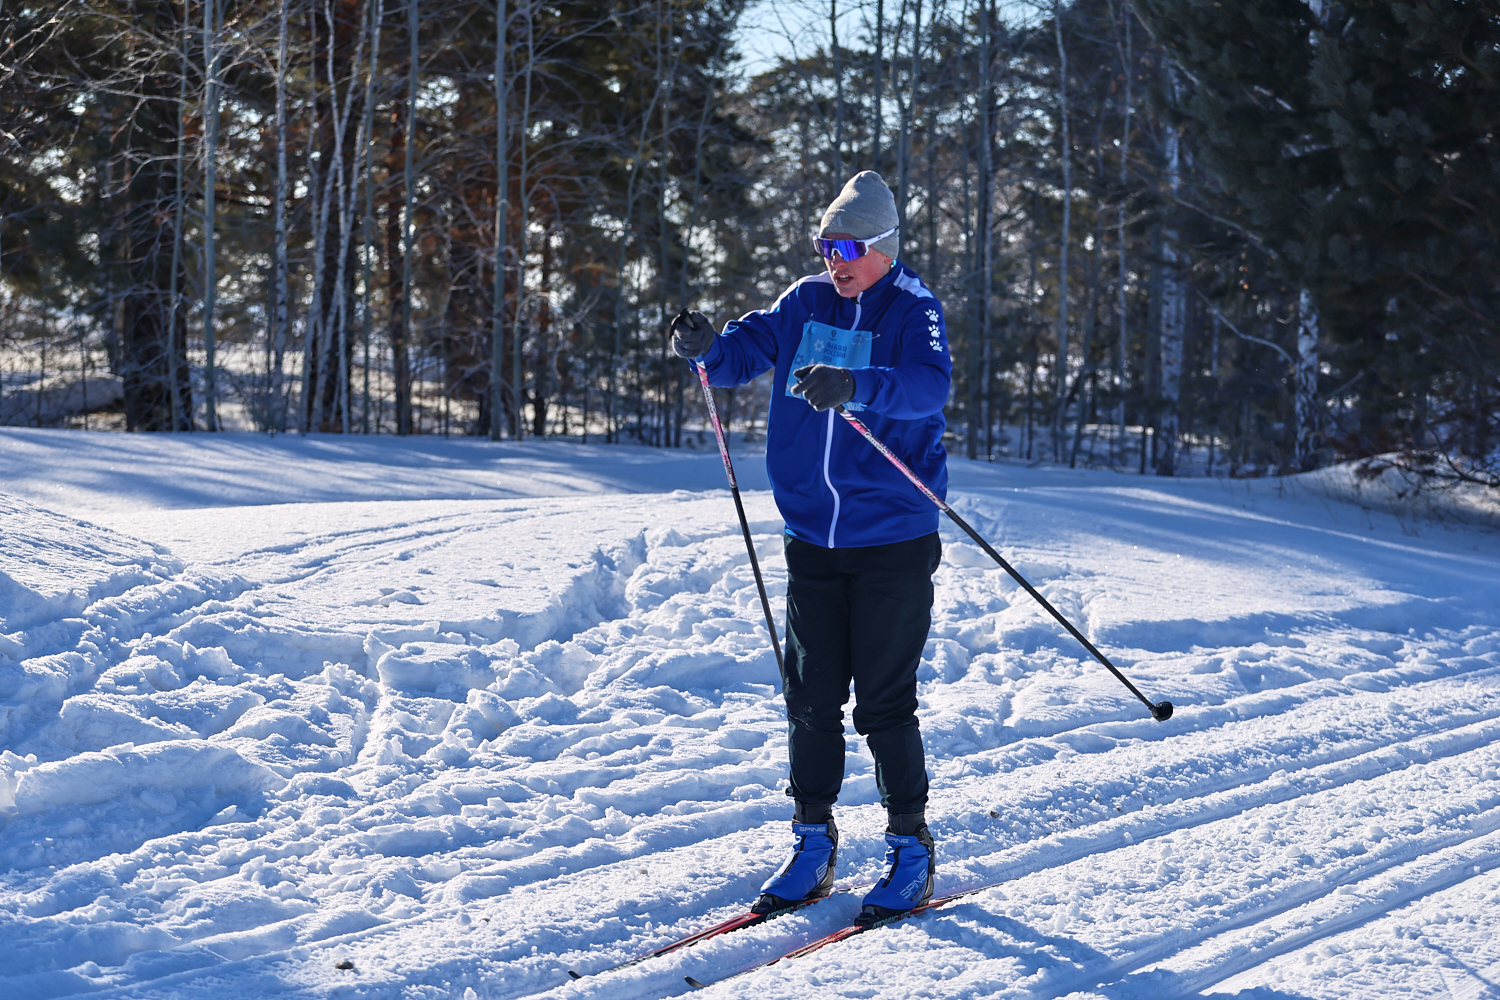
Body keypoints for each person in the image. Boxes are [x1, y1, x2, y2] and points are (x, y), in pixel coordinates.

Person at [669, 171, 951, 924]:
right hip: (812, 537)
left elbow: (927, 386)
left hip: (892, 536)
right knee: (811, 700)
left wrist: (858, 385)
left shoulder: (913, 308)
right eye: (827, 245)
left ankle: (910, 849)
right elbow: (739, 355)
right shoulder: (804, 300)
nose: (836, 260)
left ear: (885, 246)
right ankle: (812, 843)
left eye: (849, 248)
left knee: (884, 704)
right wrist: (706, 346)